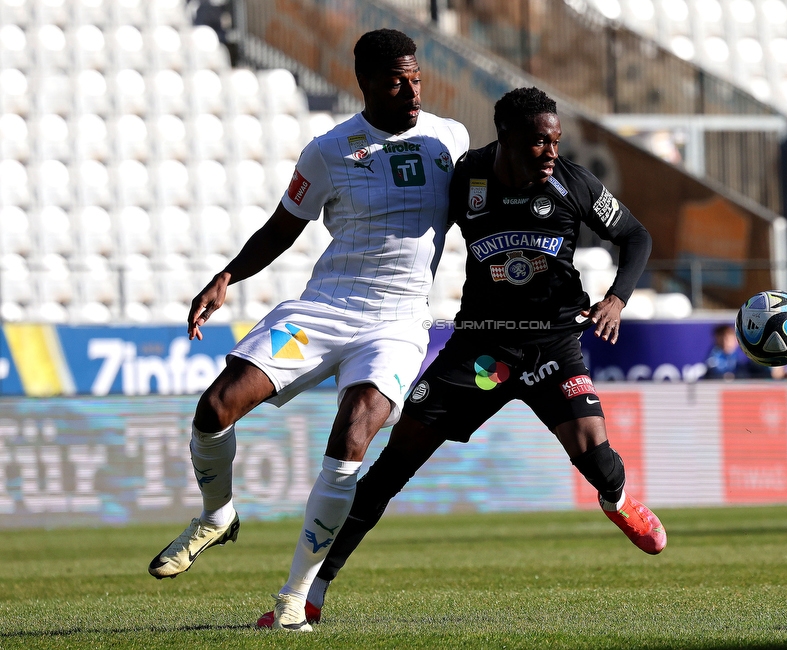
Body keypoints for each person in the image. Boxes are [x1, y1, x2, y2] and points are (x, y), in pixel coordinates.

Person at [256, 86, 663, 628]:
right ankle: (311, 591)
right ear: (509, 139)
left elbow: (636, 236)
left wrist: (616, 298)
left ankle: (617, 500)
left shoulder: (572, 181)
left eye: (556, 141)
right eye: (541, 141)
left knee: (596, 457)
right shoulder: (466, 177)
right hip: (481, 351)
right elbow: (413, 229)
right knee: (390, 468)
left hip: (552, 346)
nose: (551, 151)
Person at [146, 28, 470, 632]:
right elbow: (282, 226)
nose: (412, 89)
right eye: (398, 79)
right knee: (215, 407)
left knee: (353, 435)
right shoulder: (328, 150)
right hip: (323, 311)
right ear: (365, 82)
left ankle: (294, 598)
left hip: (397, 324)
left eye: (416, 76)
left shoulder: (451, 139)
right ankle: (217, 516)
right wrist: (227, 276)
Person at [703, 324, 787, 380]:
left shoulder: (742, 353)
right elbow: (715, 371)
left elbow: (754, 366)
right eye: (723, 339)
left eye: (729, 339)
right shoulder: (714, 354)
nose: (726, 342)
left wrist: (773, 369)